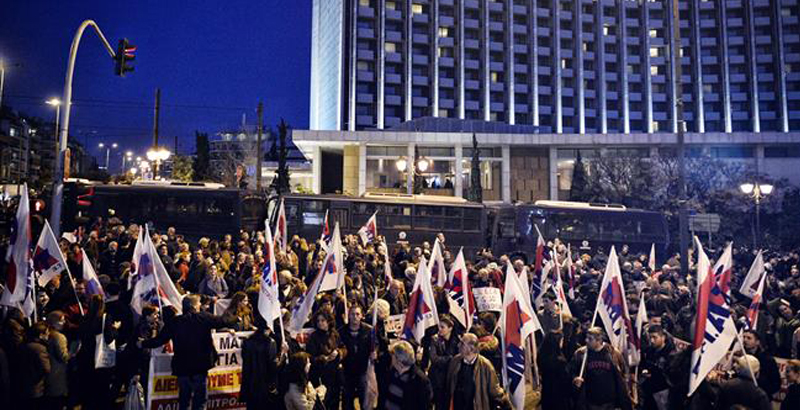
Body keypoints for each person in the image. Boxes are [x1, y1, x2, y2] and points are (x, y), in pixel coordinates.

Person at [140, 294, 236, 410]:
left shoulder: (174, 322)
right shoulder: (204, 317)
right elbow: (223, 321)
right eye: (199, 303)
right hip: (200, 367)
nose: (201, 305)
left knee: (184, 400)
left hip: (182, 367)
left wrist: (143, 343)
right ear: (194, 306)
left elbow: (160, 340)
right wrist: (235, 313)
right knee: (200, 401)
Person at [569, 326, 632, 410]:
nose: (586, 341)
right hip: (590, 401)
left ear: (599, 340)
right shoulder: (581, 354)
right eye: (586, 337)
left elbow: (623, 373)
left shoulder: (613, 353)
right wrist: (575, 379)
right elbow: (571, 371)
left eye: (590, 339)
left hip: (610, 402)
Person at [445, 333, 510, 410]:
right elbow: (449, 385)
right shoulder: (455, 361)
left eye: (462, 344)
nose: (458, 345)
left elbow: (495, 391)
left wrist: (506, 405)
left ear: (472, 348)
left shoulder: (485, 365)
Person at [240, 314, 286, 410]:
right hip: (265, 390)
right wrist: (283, 354)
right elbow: (274, 367)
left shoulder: (247, 341)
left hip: (250, 388)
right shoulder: (270, 342)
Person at [376, 340, 433, 410]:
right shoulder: (391, 372)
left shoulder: (421, 381)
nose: (391, 359)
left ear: (399, 361)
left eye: (393, 356)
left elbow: (424, 407)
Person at [305, 310, 344, 410]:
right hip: (321, 375)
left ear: (328, 321)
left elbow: (343, 347)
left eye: (323, 320)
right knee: (324, 402)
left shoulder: (334, 333)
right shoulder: (313, 337)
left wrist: (339, 352)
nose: (320, 323)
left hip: (335, 374)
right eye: (318, 321)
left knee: (335, 400)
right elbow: (310, 356)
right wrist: (324, 358)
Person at [339, 305, 372, 410]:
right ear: (348, 316)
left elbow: (375, 345)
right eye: (352, 314)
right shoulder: (341, 332)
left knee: (364, 399)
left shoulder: (369, 330)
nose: (355, 317)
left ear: (361, 315)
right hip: (347, 370)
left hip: (363, 370)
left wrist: (374, 352)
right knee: (348, 400)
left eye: (357, 314)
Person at [426, 316, 461, 410]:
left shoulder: (457, 341)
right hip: (437, 378)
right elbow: (434, 359)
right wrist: (450, 359)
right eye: (439, 327)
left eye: (442, 327)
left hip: (451, 378)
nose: (439, 330)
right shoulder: (435, 339)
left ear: (450, 328)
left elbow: (459, 359)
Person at [640, 325, 676, 410]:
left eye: (654, 337)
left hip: (663, 391)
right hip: (649, 389)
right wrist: (644, 372)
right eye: (650, 337)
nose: (652, 341)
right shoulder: (649, 351)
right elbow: (644, 365)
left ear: (663, 337)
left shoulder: (671, 354)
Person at [742, 329, 782, 398]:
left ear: (757, 342)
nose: (745, 340)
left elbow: (776, 383)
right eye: (744, 337)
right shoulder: (741, 357)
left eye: (749, 338)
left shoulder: (768, 360)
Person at [20, 322, 51, 409]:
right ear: (41, 335)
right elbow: (46, 368)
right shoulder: (40, 348)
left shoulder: (25, 344)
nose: (49, 334)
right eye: (47, 332)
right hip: (36, 387)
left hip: (24, 385)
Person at [538, 331, 572, 410]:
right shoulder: (560, 361)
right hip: (559, 394)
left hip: (547, 391)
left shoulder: (541, 355)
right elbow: (565, 379)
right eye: (561, 340)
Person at [44, 311, 70, 410]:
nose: (64, 323)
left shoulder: (47, 333)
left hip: (48, 374)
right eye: (61, 321)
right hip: (57, 374)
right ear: (54, 322)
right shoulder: (59, 337)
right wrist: (73, 351)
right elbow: (64, 357)